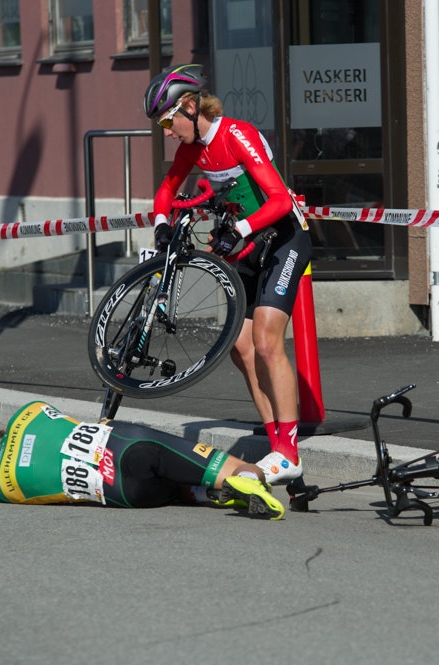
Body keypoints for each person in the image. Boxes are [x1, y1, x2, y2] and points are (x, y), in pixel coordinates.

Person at [143, 63, 312, 485]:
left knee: (267, 340)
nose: (166, 131)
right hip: (246, 245)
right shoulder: (193, 148)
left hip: (284, 238)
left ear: (189, 106)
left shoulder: (236, 134)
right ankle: (276, 444)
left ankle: (290, 452)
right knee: (240, 348)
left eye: (167, 121)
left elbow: (277, 201)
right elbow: (167, 189)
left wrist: (237, 230)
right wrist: (162, 222)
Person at [0, 400, 285, 520]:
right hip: (127, 444)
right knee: (219, 465)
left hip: (126, 494)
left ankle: (205, 494)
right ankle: (246, 480)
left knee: (170, 486)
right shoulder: (30, 411)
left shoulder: (6, 489)